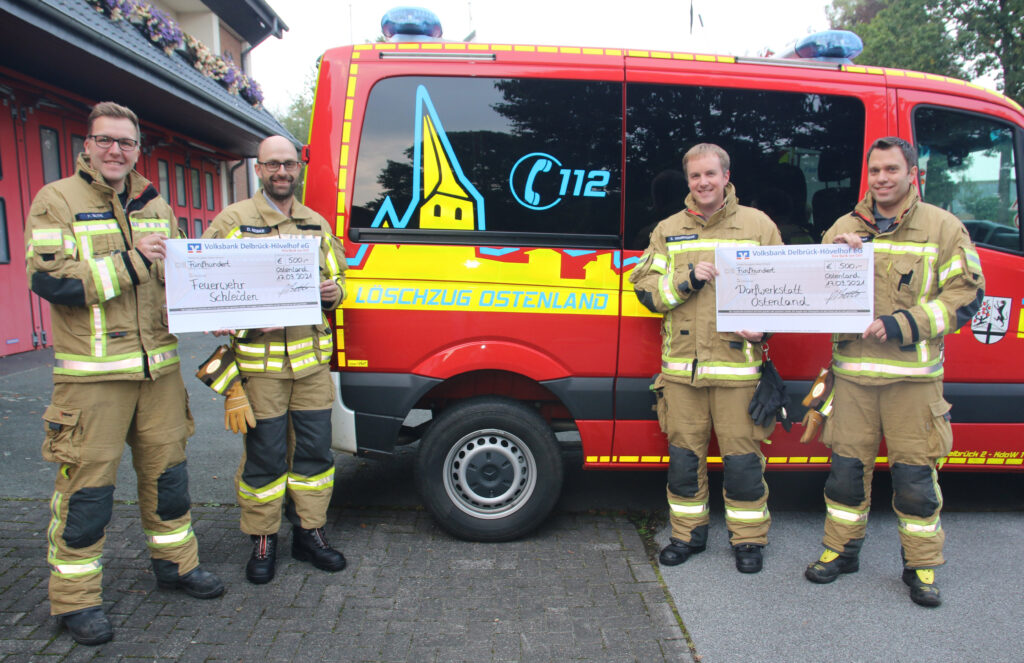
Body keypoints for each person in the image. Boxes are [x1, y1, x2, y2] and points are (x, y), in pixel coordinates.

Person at [24, 102, 224, 646]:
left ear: (139, 149)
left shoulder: (154, 202)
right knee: (87, 493)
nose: (116, 150)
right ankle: (75, 600)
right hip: (92, 381)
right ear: (86, 145)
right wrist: (133, 260)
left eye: (126, 142)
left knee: (169, 479)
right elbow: (52, 282)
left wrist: (216, 311)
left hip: (159, 372)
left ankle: (177, 565)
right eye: (105, 140)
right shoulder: (56, 200)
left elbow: (181, 277)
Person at [804, 137, 985, 607]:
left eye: (891, 169)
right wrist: (835, 259)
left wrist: (904, 324)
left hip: (912, 383)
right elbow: (810, 294)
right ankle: (841, 551)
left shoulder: (943, 228)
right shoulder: (843, 227)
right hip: (853, 382)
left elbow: (965, 297)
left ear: (911, 173)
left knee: (915, 480)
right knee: (844, 475)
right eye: (875, 171)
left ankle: (920, 566)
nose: (882, 179)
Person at [630, 143, 783, 573]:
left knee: (743, 464)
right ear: (688, 180)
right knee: (684, 462)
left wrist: (765, 327)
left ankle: (748, 541)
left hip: (738, 371)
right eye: (695, 176)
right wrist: (686, 280)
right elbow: (645, 290)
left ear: (726, 176)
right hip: (681, 373)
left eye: (710, 174)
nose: (703, 183)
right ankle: (686, 536)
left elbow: (786, 290)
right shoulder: (668, 229)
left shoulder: (757, 225)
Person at [201, 135, 347, 585]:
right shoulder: (233, 222)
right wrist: (231, 317)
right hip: (259, 371)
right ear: (258, 169)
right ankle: (263, 539)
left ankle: (310, 533)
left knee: (315, 456)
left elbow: (340, 280)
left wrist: (333, 292)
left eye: (288, 164)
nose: (281, 172)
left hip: (311, 370)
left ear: (298, 167)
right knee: (264, 458)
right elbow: (204, 284)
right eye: (271, 165)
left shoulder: (315, 224)